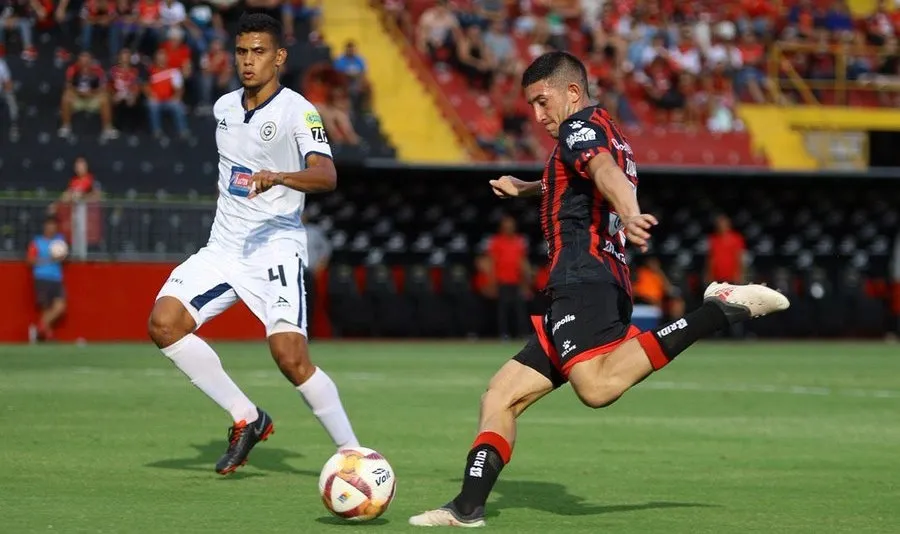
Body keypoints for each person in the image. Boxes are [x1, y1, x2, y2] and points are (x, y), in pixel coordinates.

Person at [409, 51, 790, 527]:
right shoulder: (601, 128)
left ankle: (718, 310)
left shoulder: (579, 128)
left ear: (572, 92)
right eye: (530, 105)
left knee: (597, 386)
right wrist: (525, 187)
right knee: (500, 396)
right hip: (577, 281)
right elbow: (580, 178)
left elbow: (604, 171)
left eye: (542, 101)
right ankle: (467, 508)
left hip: (584, 277)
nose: (537, 116)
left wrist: (630, 212)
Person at [147, 13, 359, 476]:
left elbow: (327, 175)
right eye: (242, 52)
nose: (248, 61)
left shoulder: (298, 111)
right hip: (223, 247)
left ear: (279, 57)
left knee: (289, 356)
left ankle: (354, 454)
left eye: (259, 51)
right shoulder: (223, 108)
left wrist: (280, 176)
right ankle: (247, 417)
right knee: (164, 323)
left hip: (275, 246)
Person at [27, 218, 67, 342]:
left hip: (56, 278)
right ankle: (47, 336)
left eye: (54, 226)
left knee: (60, 307)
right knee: (45, 308)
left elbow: (64, 255)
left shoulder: (60, 241)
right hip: (42, 277)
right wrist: (49, 260)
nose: (52, 228)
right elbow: (30, 260)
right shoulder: (37, 242)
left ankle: (39, 328)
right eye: (49, 225)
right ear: (45, 227)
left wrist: (62, 257)